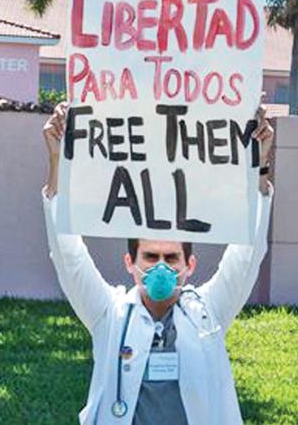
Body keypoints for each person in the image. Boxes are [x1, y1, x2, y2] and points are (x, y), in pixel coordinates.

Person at [41, 103, 275, 425]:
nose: (161, 267)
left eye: (171, 257)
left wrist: (259, 167)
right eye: (150, 257)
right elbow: (69, 257)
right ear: (129, 263)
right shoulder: (109, 313)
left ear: (189, 264)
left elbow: (247, 254)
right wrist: (56, 161)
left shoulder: (209, 310)